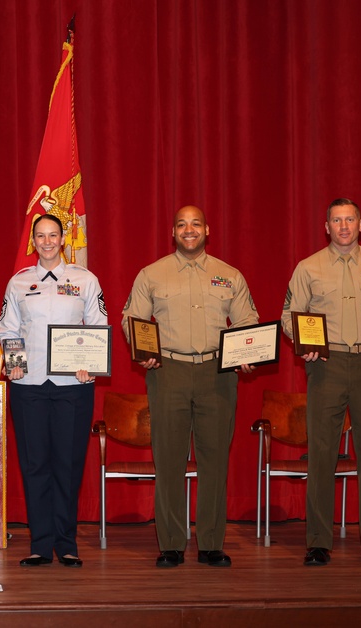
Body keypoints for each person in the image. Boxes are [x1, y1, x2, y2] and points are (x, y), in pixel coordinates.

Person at [121, 205, 258, 568]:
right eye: (181, 224)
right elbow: (131, 319)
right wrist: (143, 351)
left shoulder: (229, 275)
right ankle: (171, 544)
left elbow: (248, 321)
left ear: (207, 230)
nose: (189, 229)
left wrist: (249, 351)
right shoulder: (152, 274)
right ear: (173, 233)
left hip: (218, 373)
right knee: (169, 460)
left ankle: (211, 543)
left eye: (195, 223)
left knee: (214, 461)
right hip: (169, 372)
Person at [281, 198, 361, 567]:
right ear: (326, 227)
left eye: (349, 219)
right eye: (336, 220)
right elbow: (290, 316)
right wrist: (304, 344)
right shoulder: (308, 268)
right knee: (322, 454)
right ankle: (318, 542)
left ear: (360, 224)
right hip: (327, 363)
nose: (343, 226)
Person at [0, 214, 106, 568]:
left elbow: (98, 324)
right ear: (33, 241)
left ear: (63, 239)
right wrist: (14, 364)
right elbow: (8, 328)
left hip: (72, 386)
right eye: (40, 236)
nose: (46, 241)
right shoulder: (18, 283)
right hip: (28, 386)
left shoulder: (85, 280)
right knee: (35, 465)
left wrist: (90, 363)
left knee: (68, 464)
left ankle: (67, 542)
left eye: (53, 235)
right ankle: (40, 544)